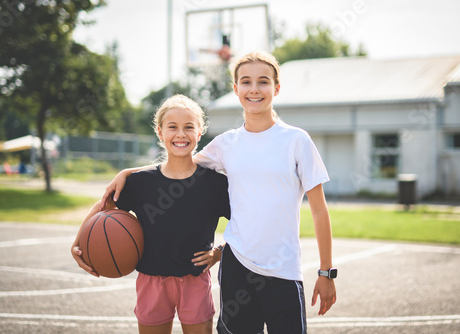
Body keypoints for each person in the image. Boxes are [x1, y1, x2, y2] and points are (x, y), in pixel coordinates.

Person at [101, 51, 337, 334]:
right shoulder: (227, 144)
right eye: (245, 82)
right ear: (236, 88)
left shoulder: (296, 141)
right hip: (238, 270)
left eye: (263, 82)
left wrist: (326, 272)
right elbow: (179, 162)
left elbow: (320, 210)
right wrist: (129, 172)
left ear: (276, 88)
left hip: (283, 270)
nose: (254, 89)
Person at [72, 94, 230, 334]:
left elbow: (248, 225)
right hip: (151, 281)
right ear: (160, 132)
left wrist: (219, 253)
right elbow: (103, 207)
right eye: (172, 127)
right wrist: (77, 243)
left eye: (189, 127)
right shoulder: (140, 182)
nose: (180, 134)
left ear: (199, 133)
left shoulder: (214, 184)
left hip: (195, 280)